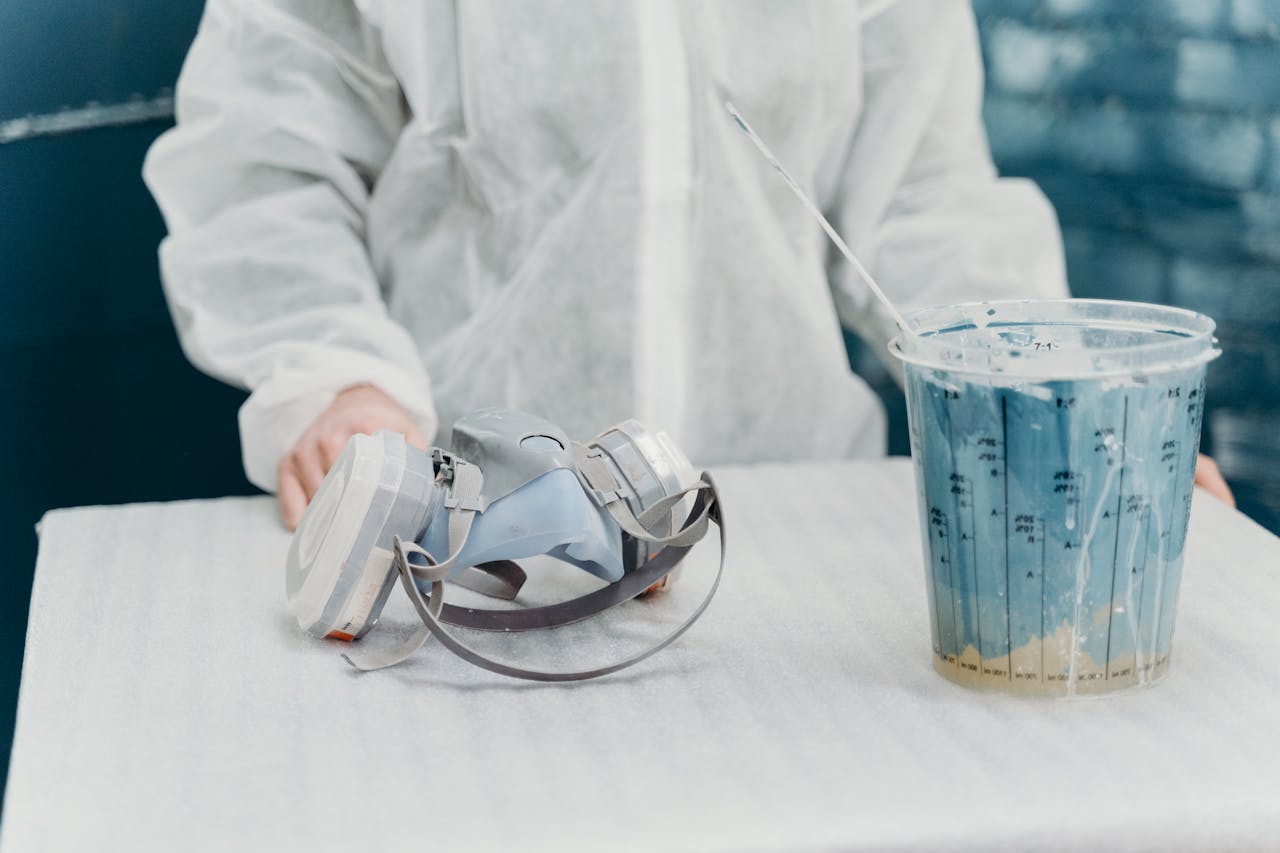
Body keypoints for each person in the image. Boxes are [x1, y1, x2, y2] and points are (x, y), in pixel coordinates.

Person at [144, 0, 1233, 530]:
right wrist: (341, 380)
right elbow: (263, 164)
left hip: (790, 547)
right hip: (472, 546)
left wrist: (1052, 409)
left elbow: (919, 197)